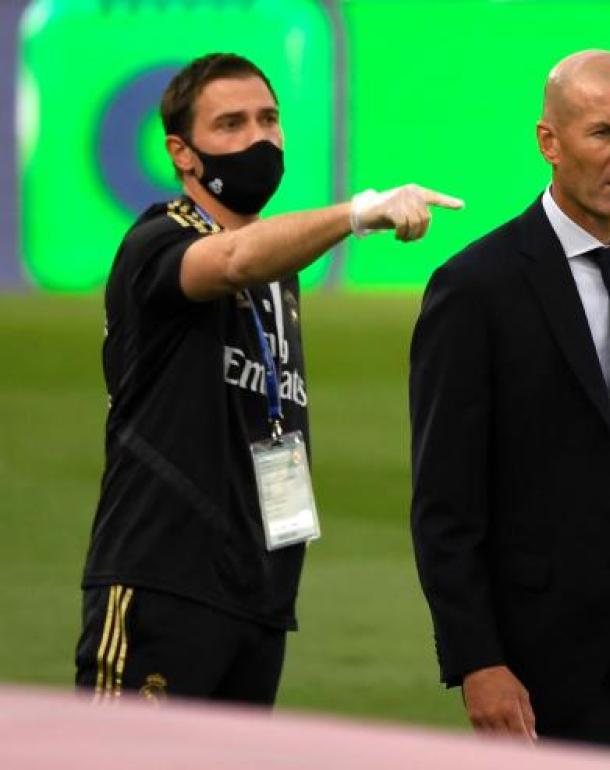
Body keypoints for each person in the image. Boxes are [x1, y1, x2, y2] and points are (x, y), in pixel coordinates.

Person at [75, 52, 462, 706]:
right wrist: (358, 213)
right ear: (182, 153)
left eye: (268, 119)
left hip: (258, 594)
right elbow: (231, 260)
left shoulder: (279, 276)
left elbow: (255, 258)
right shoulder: (157, 242)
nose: (258, 138)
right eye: (230, 124)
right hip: (162, 581)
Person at [409, 50, 610, 752]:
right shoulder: (475, 287)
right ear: (549, 141)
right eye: (606, 133)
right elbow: (445, 502)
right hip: (550, 656)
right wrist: (477, 661)